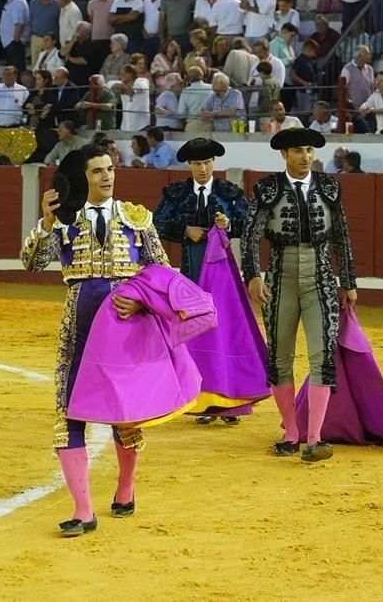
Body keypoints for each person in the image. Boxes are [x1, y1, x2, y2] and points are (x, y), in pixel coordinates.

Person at [19, 144, 170, 536]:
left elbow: (163, 273)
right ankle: (83, 510)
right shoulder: (65, 220)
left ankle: (126, 487)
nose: (107, 176)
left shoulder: (137, 217)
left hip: (125, 328)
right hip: (79, 325)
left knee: (125, 413)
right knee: (69, 410)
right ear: (83, 177)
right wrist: (46, 222)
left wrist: (141, 302)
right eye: (97, 171)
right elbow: (32, 263)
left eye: (110, 169)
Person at [240, 127, 358, 463]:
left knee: (323, 356)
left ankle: (314, 438)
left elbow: (342, 236)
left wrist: (348, 281)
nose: (305, 157)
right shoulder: (267, 189)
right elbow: (250, 236)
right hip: (280, 278)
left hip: (321, 277)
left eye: (309, 150)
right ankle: (291, 433)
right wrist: (253, 275)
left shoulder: (329, 187)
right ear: (284, 155)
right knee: (280, 358)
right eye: (297, 151)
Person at [152, 136, 249, 287]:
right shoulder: (178, 192)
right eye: (197, 164)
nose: (203, 169)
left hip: (222, 265)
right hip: (190, 266)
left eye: (207, 162)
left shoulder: (229, 192)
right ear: (189, 164)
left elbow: (250, 225)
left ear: (214, 161)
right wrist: (186, 231)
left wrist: (228, 225)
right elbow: (156, 223)